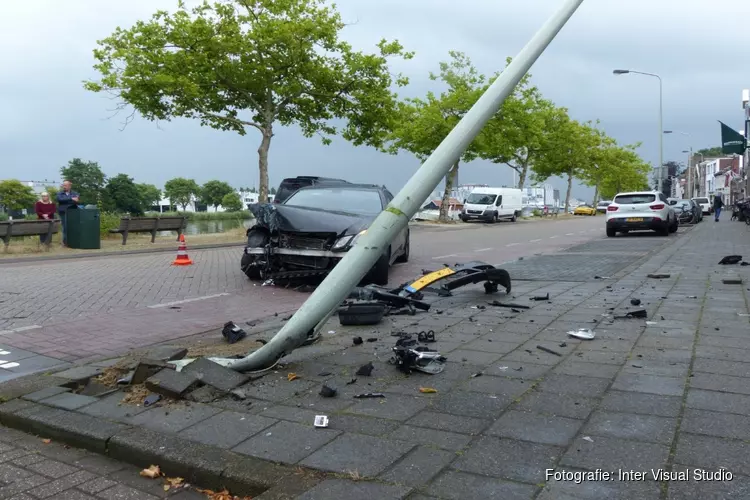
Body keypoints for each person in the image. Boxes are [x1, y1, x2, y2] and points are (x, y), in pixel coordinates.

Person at [56, 180, 80, 246]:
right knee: (65, 227)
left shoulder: (75, 193)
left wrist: (67, 199)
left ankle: (73, 241)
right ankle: (65, 242)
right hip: (63, 212)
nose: (64, 187)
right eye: (63, 185)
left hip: (73, 212)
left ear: (70, 186)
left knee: (73, 227)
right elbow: (60, 199)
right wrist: (71, 199)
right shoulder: (59, 193)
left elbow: (77, 200)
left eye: (65, 185)